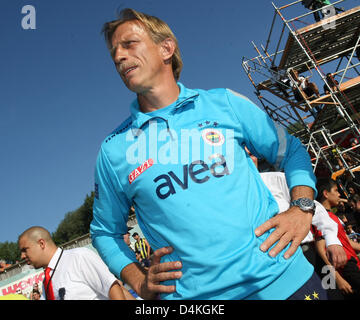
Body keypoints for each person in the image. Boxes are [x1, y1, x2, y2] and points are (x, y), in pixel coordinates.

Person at [90, 8, 320, 300]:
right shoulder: (114, 151)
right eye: (114, 52)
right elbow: (105, 232)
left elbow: (292, 151)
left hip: (285, 282)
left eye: (129, 44)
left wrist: (301, 208)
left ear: (166, 48)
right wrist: (138, 280)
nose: (118, 57)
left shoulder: (224, 102)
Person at [18, 226, 131, 300]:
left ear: (41, 243)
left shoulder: (78, 257)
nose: (22, 256)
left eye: (25, 250)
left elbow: (113, 288)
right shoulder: (46, 282)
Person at [315, 178, 360, 299]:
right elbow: (321, 250)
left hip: (353, 263)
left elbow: (347, 241)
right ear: (326, 193)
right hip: (345, 267)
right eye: (336, 190)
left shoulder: (332, 216)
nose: (339, 194)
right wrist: (337, 278)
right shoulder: (321, 217)